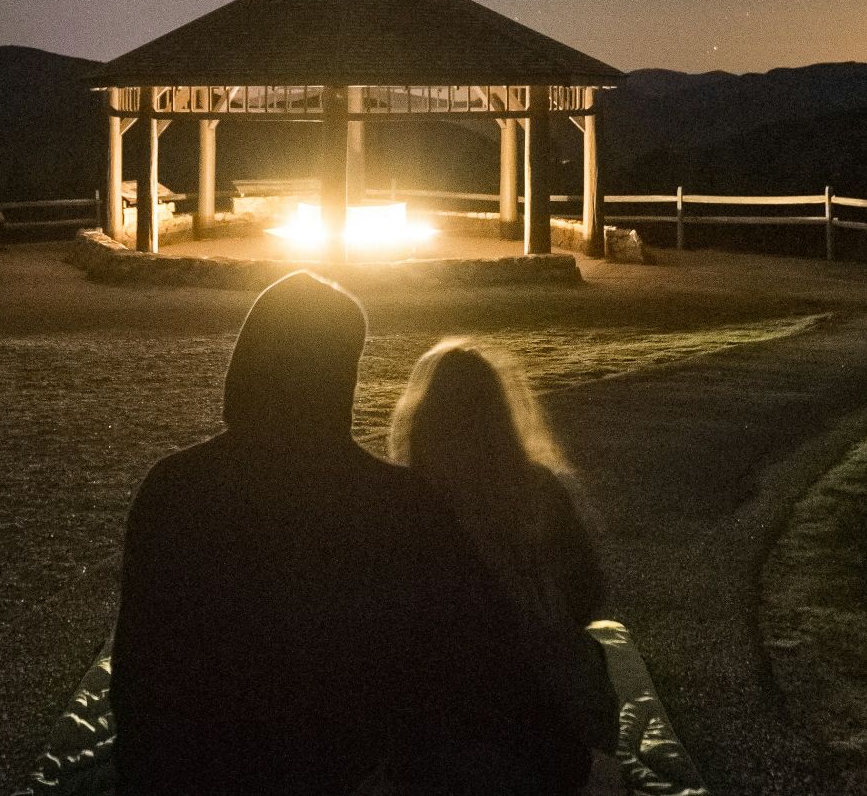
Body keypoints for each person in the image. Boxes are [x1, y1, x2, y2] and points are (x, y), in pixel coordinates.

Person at [109, 271, 584, 796]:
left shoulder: (174, 488)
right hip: (350, 771)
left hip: (202, 767)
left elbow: (141, 669)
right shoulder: (400, 504)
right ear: (341, 378)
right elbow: (457, 670)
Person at [387, 340, 624, 793]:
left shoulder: (402, 503)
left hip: (434, 746)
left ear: (423, 419)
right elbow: (586, 597)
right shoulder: (537, 490)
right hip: (541, 740)